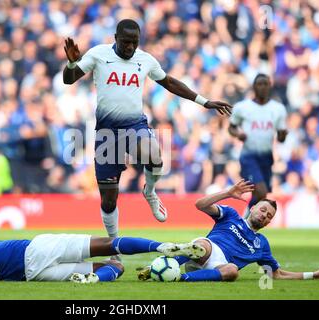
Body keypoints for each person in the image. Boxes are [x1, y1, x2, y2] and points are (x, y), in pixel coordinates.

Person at [63, 19, 232, 240]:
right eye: (126, 42)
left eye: (135, 42)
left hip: (135, 126)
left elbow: (169, 83)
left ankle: (150, 192)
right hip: (107, 134)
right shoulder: (98, 54)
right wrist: (72, 64)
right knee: (109, 199)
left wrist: (204, 101)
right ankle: (114, 245)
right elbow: (69, 80)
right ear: (115, 38)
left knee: (153, 153)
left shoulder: (145, 60)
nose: (130, 47)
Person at [0, 187, 206, 284]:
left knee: (115, 267)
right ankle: (163, 246)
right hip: (38, 249)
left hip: (34, 274)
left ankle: (91, 280)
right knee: (110, 244)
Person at [138, 180, 319, 282]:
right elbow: (200, 204)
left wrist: (313, 275)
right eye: (263, 210)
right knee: (201, 245)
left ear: (268, 223)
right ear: (253, 208)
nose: (265, 216)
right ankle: (161, 263)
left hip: (219, 266)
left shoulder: (262, 244)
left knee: (233, 271)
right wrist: (227, 193)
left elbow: (276, 275)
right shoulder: (231, 215)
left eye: (269, 216)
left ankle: (178, 277)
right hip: (205, 250)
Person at [228, 74, 288, 217]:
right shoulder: (242, 107)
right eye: (259, 84)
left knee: (262, 194)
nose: (262, 87)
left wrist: (283, 135)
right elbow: (231, 127)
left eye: (265, 84)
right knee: (260, 191)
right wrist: (238, 134)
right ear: (254, 87)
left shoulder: (278, 109)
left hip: (267, 156)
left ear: (270, 86)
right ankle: (245, 220)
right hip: (249, 155)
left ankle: (245, 218)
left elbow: (281, 138)